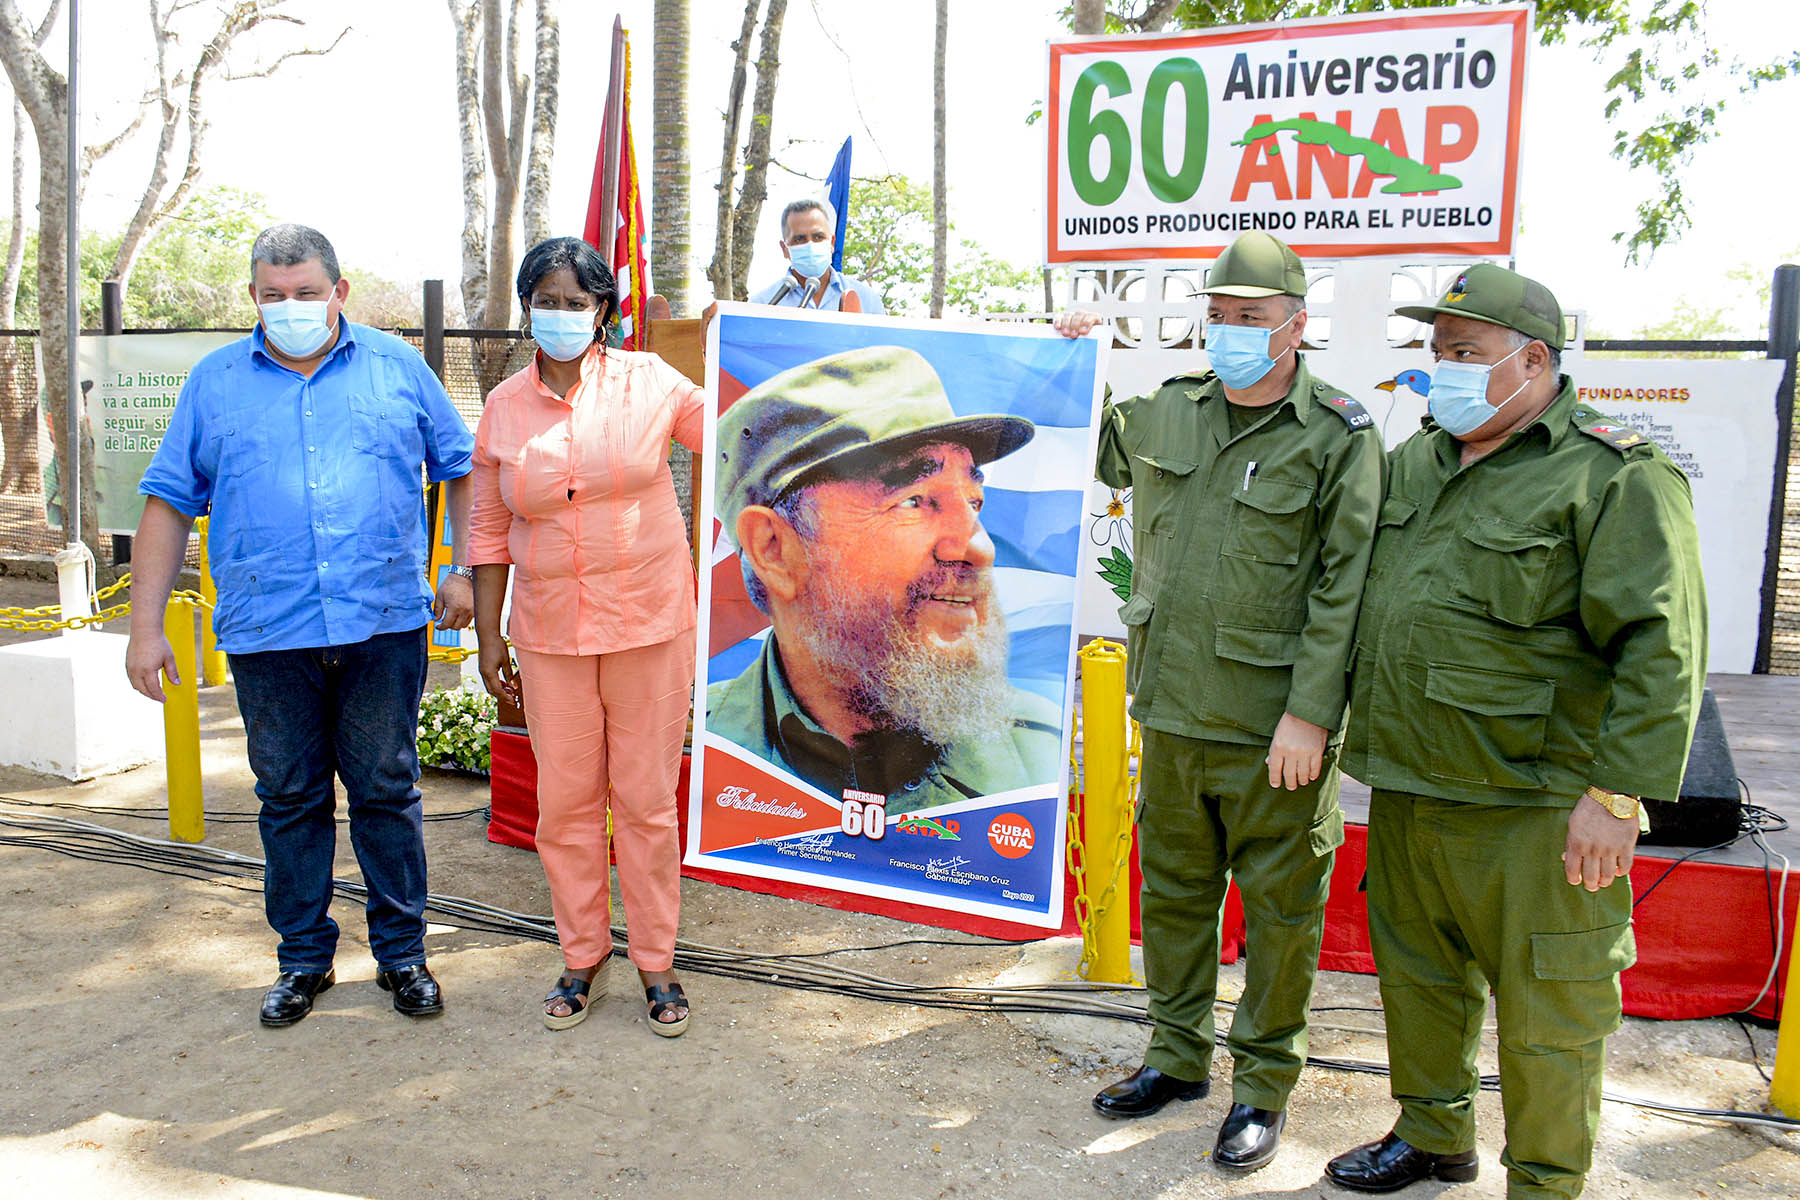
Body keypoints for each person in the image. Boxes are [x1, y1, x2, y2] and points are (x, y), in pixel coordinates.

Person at [1324, 264, 1707, 1198]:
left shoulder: (1612, 474)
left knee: (1551, 1013)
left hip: (1536, 807)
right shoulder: (1418, 459)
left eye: (1465, 353)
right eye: (1437, 351)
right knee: (1420, 986)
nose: (1442, 369)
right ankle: (1432, 1135)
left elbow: (1662, 647)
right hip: (1414, 788)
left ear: (1532, 360)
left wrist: (1618, 795)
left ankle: (1544, 1181)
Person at [1054, 231, 1383, 1172]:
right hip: (1172, 709)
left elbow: (1344, 586)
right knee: (1180, 898)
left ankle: (1264, 1087)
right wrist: (1080, 355)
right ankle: (1176, 1055)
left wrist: (1312, 716)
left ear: (1296, 326)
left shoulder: (1339, 436)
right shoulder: (1170, 412)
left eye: (1253, 318)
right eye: (1222, 316)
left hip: (1273, 726)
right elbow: (1105, 450)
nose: (1233, 332)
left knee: (1282, 918)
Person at [128, 223, 475, 1027]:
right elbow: (168, 502)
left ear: (338, 292)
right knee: (288, 797)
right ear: (254, 296)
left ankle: (403, 955)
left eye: (307, 293)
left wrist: (459, 567)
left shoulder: (397, 367)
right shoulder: (214, 384)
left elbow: (462, 468)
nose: (291, 307)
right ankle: (303, 959)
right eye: (275, 295)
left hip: (381, 621)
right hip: (268, 631)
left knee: (386, 790)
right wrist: (146, 630)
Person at [469, 236, 702, 1036]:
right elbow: (491, 523)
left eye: (577, 301)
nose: (561, 315)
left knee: (643, 801)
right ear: (527, 306)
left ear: (603, 310)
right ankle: (583, 956)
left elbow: (746, 421)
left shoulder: (651, 382)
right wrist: (490, 637)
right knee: (565, 803)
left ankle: (657, 963)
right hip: (546, 631)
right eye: (547, 300)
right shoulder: (504, 405)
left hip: (647, 624)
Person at [706, 344, 1062, 809]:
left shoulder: (1042, 752)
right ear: (773, 549)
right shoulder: (702, 744)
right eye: (914, 501)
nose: (979, 547)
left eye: (973, 502)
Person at [748, 197, 885, 314]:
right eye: (799, 239)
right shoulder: (762, 304)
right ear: (785, 249)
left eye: (818, 237)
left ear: (832, 242)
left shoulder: (867, 300)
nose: (810, 245)